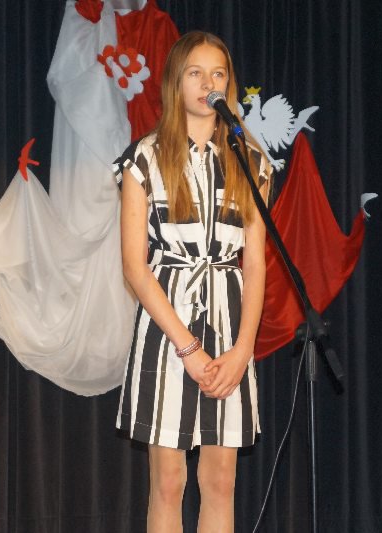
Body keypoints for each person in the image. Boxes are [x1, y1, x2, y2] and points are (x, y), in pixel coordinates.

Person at [114, 31, 271, 532]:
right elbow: (135, 266)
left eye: (218, 73)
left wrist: (243, 349)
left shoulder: (250, 160)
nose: (208, 83)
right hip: (168, 327)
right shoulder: (145, 157)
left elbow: (256, 263)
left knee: (220, 480)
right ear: (175, 83)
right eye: (196, 73)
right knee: (168, 481)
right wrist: (188, 348)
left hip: (230, 323)